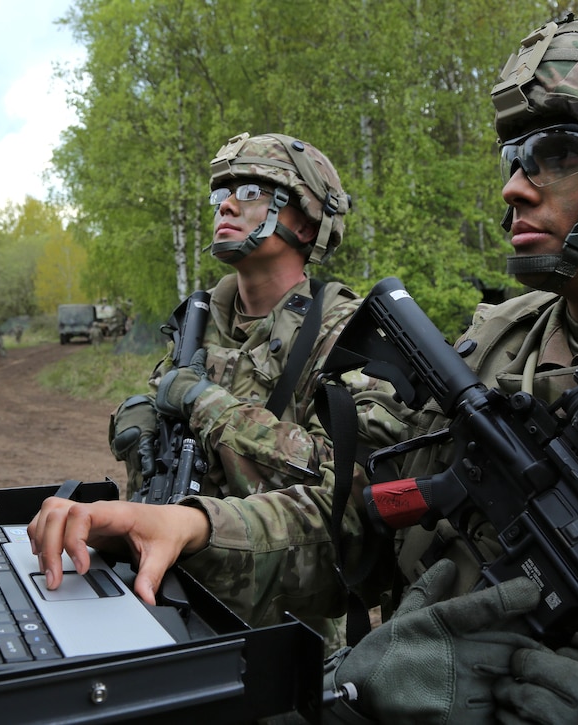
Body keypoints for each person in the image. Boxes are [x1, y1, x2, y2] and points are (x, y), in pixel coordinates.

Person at [29, 13, 578, 723]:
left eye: (559, 153)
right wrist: (192, 525)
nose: (513, 185)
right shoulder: (498, 344)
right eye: (514, 154)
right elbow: (355, 525)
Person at [107, 131, 403, 650]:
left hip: (283, 624)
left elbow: (345, 492)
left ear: (306, 221)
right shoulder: (201, 322)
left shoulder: (347, 335)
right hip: (168, 588)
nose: (226, 203)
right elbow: (168, 418)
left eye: (251, 193)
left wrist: (210, 406)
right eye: (223, 193)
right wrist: (136, 419)